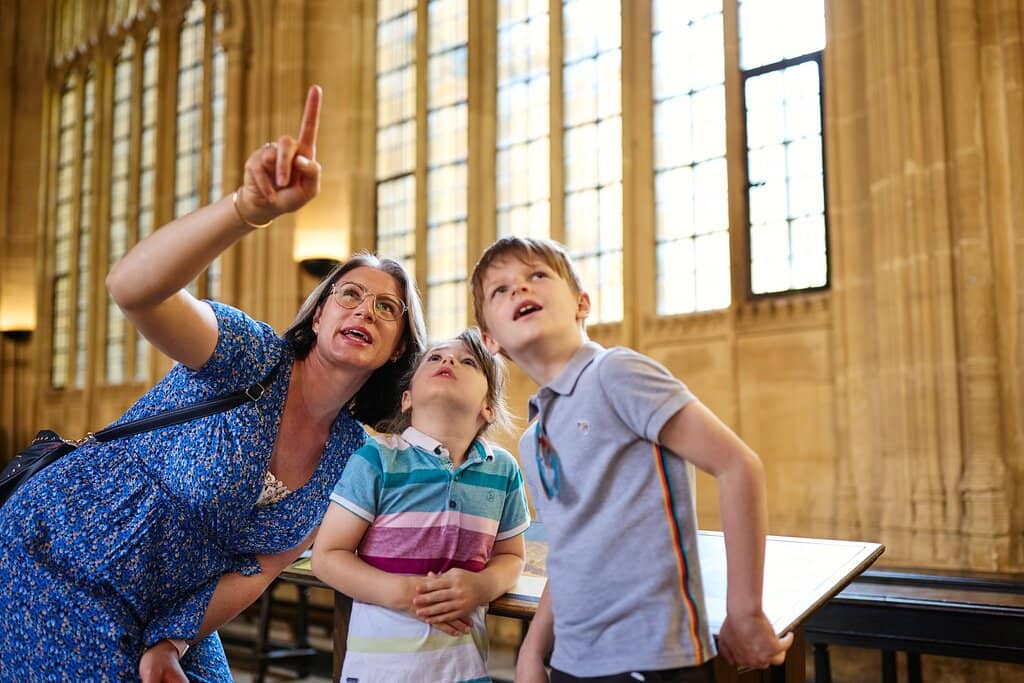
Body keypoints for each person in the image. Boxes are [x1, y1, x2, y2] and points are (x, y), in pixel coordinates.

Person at [0, 85, 427, 683]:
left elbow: (260, 566)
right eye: (349, 294)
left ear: (399, 347)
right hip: (64, 555)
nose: (363, 311)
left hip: (168, 608)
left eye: (387, 308)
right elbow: (132, 288)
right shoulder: (251, 356)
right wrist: (247, 209)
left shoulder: (348, 451)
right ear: (320, 311)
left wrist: (173, 642)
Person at [469, 237, 794, 683]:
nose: (520, 290)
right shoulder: (533, 437)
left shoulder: (615, 372)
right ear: (490, 340)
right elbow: (565, 550)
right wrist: (533, 649)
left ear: (582, 303)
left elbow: (738, 465)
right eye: (499, 290)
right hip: (573, 659)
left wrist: (745, 610)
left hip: (652, 654)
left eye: (537, 276)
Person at [312, 327, 530, 683]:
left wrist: (482, 586)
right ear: (407, 398)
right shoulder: (377, 459)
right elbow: (328, 557)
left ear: (488, 407)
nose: (448, 361)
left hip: (464, 670)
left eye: (468, 361)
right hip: (380, 671)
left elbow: (512, 557)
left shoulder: (502, 469)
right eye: (435, 357)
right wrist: (404, 593)